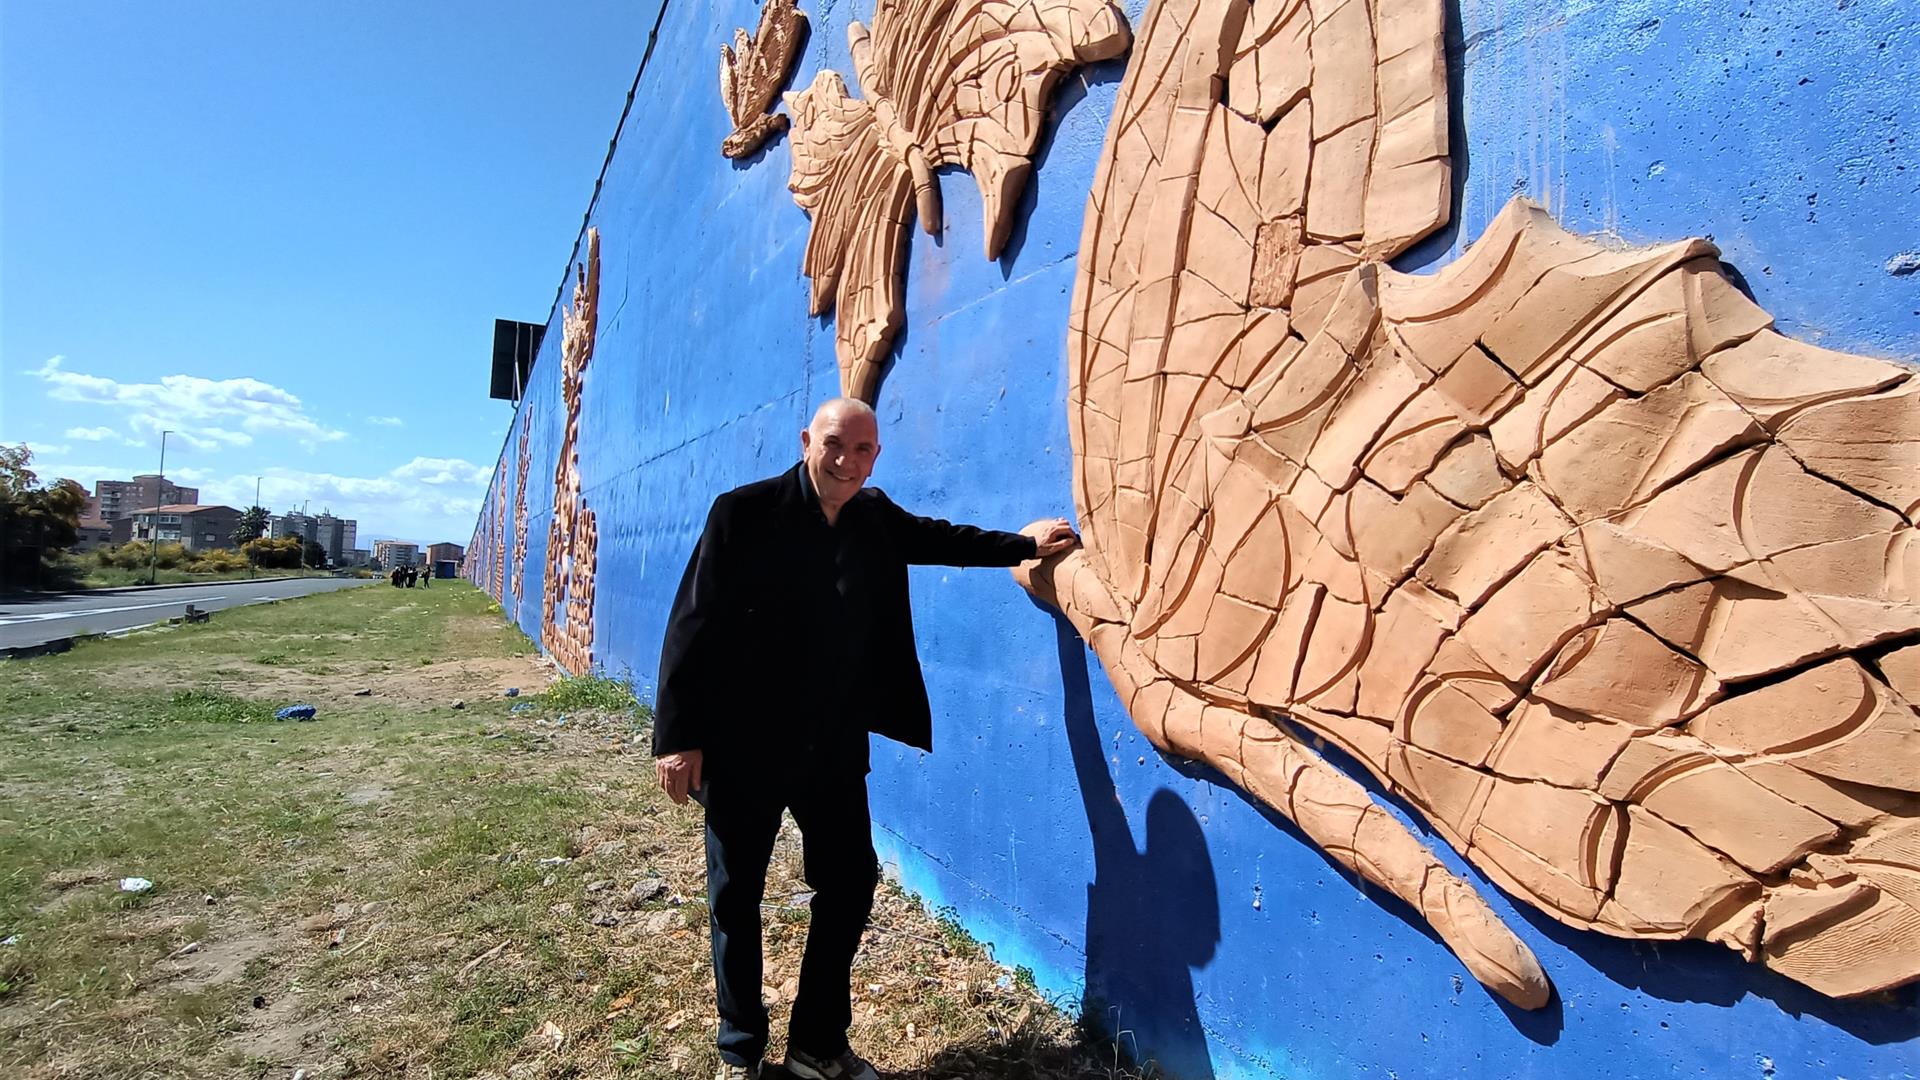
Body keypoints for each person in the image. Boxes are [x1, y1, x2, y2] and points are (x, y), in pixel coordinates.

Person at [653, 397, 1077, 1080]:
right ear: (806, 441)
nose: (846, 462)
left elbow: (944, 540)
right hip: (743, 745)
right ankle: (742, 1052)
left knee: (849, 884)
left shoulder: (873, 515)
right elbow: (692, 623)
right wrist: (678, 737)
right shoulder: (742, 512)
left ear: (875, 456)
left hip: (831, 746)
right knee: (736, 898)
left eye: (862, 450)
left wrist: (1025, 546)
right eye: (834, 445)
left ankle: (816, 1046)